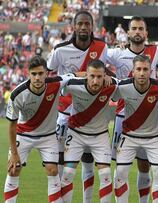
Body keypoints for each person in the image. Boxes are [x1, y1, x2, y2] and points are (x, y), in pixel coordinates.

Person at [47, 10, 109, 202]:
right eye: (80, 24)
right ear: (73, 26)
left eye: (87, 24)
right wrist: (76, 76)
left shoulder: (102, 46)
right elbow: (49, 77)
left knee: (88, 162)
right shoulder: (60, 50)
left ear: (92, 26)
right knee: (60, 163)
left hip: (89, 114)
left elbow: (102, 72)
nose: (83, 27)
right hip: (65, 114)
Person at [107, 16, 158, 202]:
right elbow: (95, 61)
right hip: (123, 119)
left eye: (141, 28)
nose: (137, 32)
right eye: (134, 28)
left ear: (146, 33)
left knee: (145, 166)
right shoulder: (116, 54)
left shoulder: (157, 52)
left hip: (150, 120)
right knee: (121, 168)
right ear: (128, 32)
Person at [4, 56, 73, 203]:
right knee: (13, 169)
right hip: (23, 135)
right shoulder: (17, 94)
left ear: (47, 73)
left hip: (48, 136)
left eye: (40, 73)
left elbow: (74, 75)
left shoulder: (56, 83)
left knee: (53, 171)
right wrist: (14, 153)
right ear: (28, 74)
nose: (37, 78)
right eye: (33, 74)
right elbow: (11, 126)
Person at [114, 55, 158, 203]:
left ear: (150, 71)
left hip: (154, 138)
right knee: (120, 172)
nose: (142, 73)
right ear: (132, 71)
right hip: (129, 137)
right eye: (138, 69)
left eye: (145, 69)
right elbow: (108, 95)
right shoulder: (122, 86)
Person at [60, 60, 118, 203]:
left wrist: (113, 77)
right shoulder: (74, 84)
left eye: (99, 77)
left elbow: (131, 84)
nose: (95, 80)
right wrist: (76, 74)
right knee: (67, 174)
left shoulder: (113, 85)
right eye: (92, 76)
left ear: (105, 76)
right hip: (76, 133)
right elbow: (60, 81)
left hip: (100, 135)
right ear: (86, 75)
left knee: (105, 175)